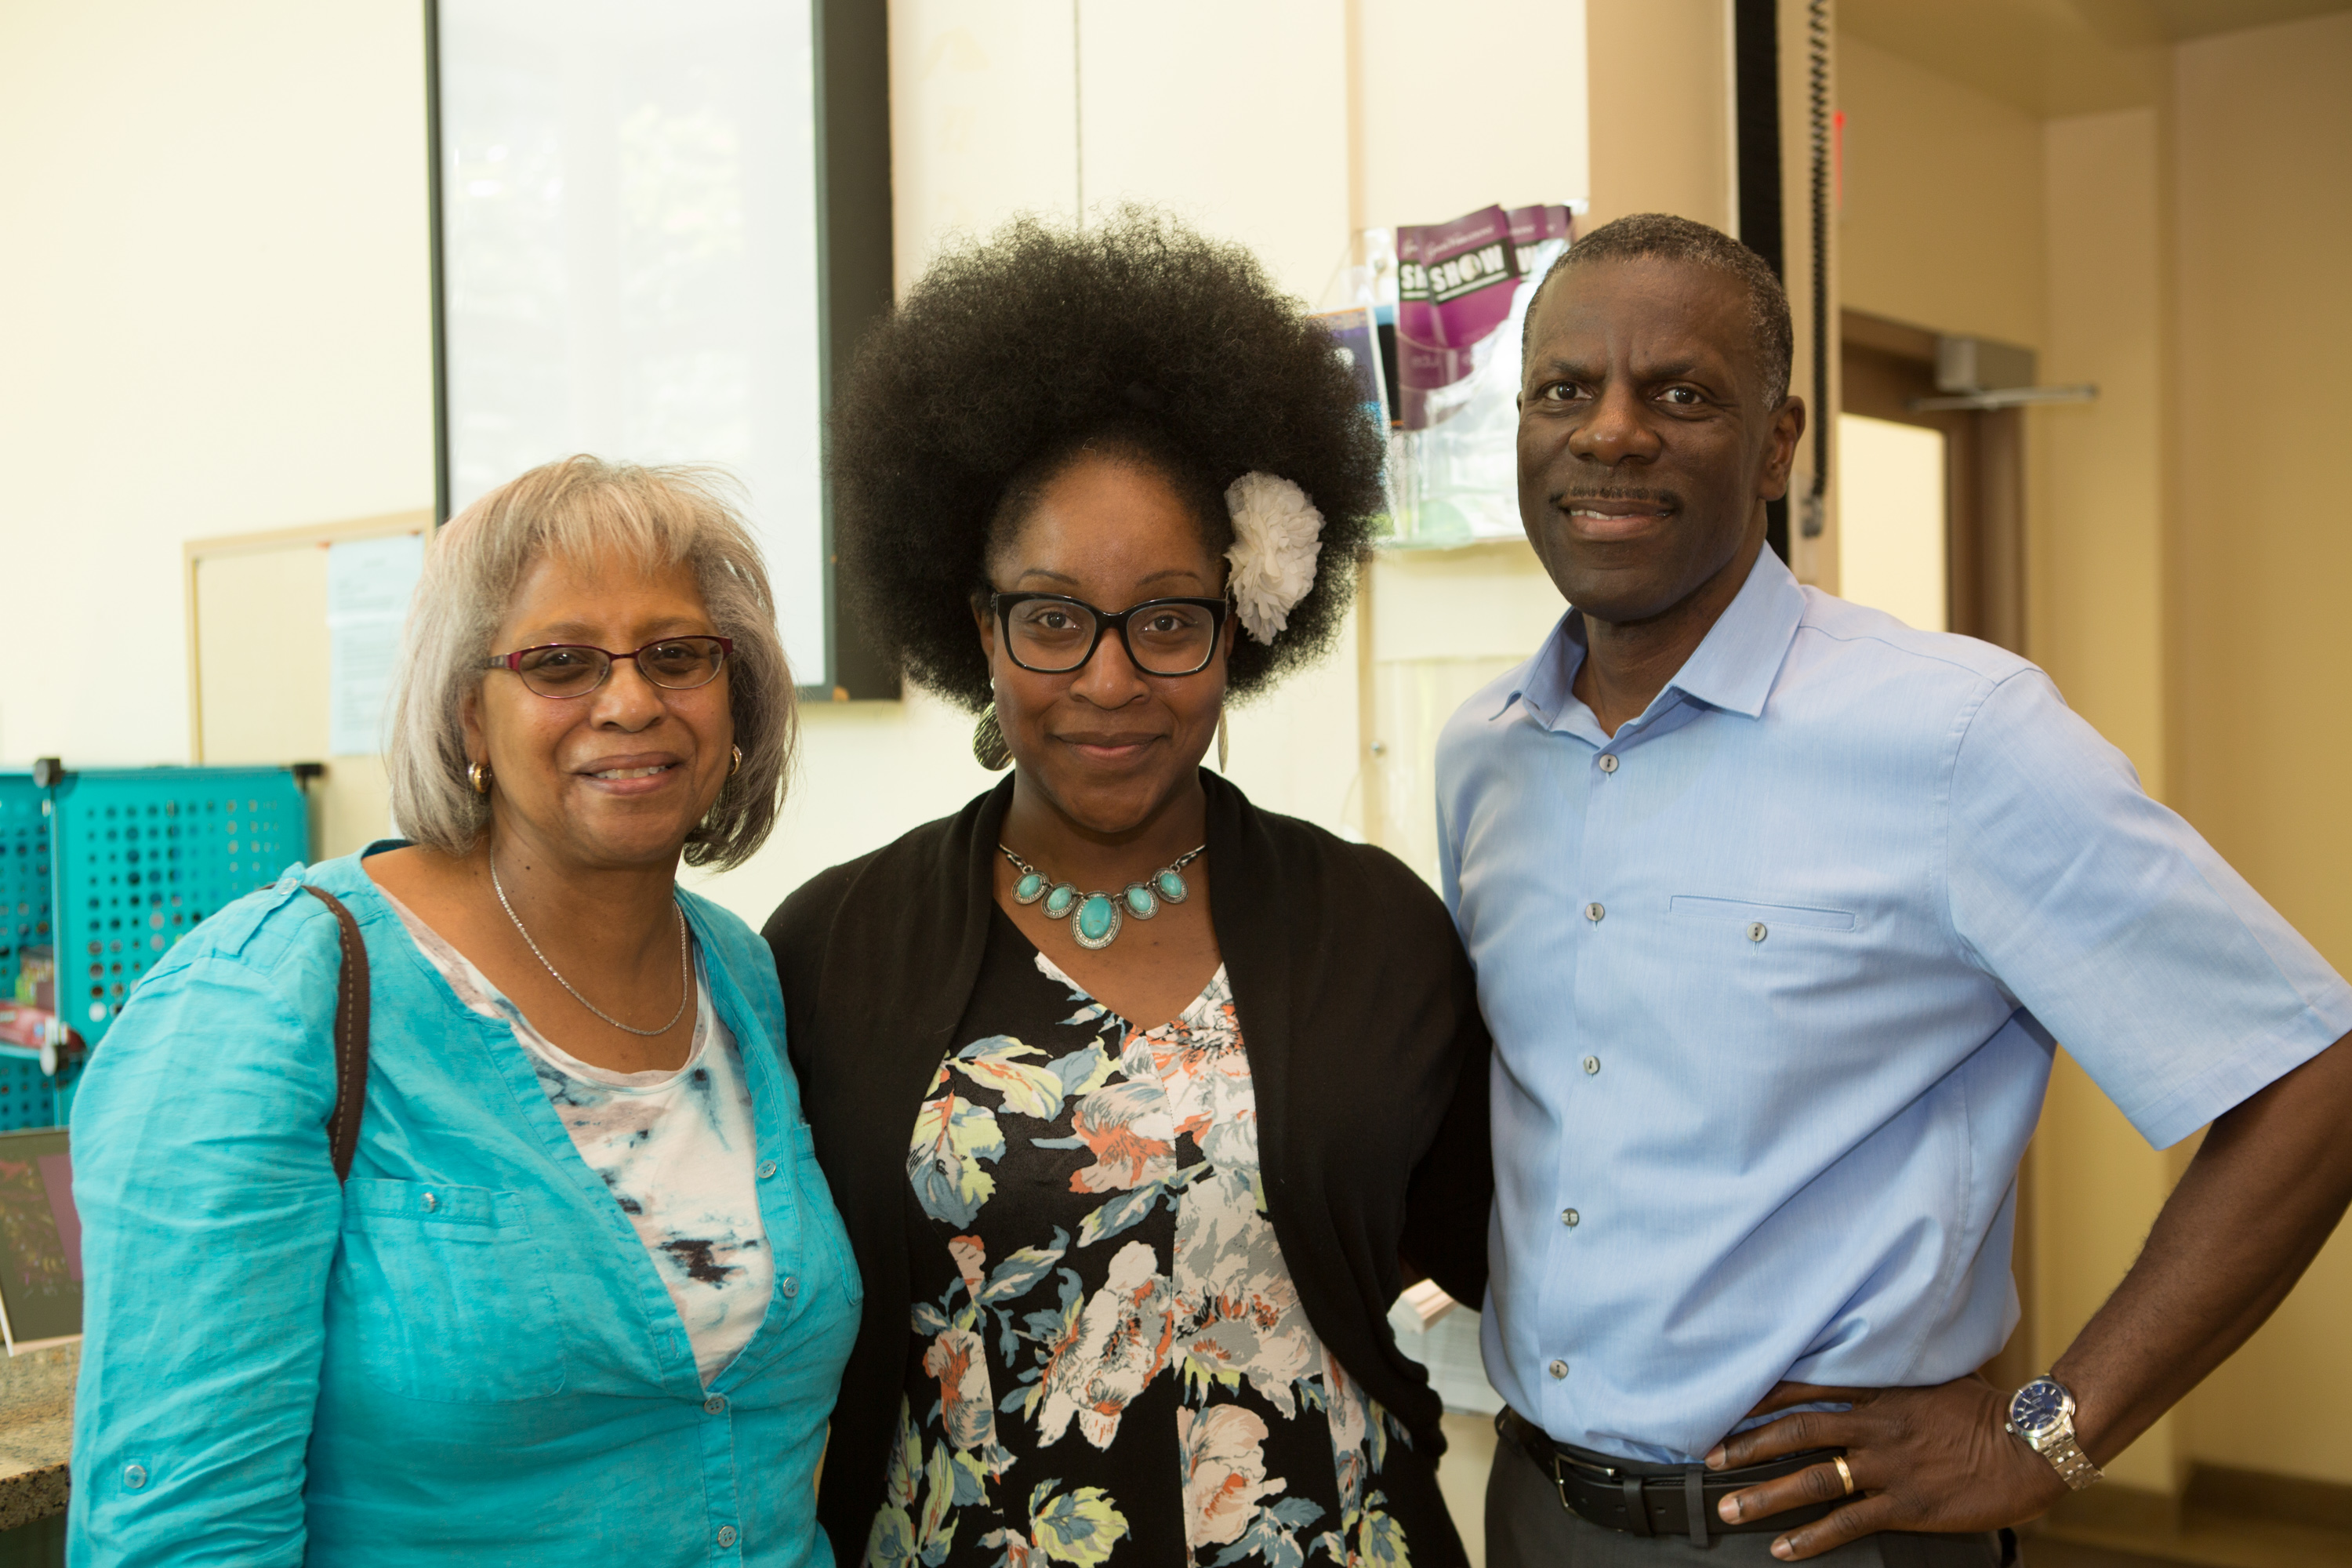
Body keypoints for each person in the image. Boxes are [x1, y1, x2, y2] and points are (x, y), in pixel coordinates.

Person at [1437, 210, 2352, 1566]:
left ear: (1780, 442)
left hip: (1820, 1536)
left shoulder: (1955, 735)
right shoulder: (1486, 754)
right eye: (1565, 390)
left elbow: (2307, 1072)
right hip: (1532, 1513)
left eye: (1681, 394)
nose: (1611, 433)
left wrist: (2049, 1434)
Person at [765, 210, 1493, 1568]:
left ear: (1241, 626)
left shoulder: (1378, 931)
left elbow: (1523, 1247)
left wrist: (2032, 1429)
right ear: (978, 627)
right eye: (1052, 618)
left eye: (1168, 618)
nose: (1111, 681)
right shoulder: (832, 949)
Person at [71, 457, 859, 1566]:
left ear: (738, 702)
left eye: (677, 656)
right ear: (469, 720)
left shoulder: (738, 972)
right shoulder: (272, 995)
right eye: (560, 661)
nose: (631, 701)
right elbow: (183, 1530)